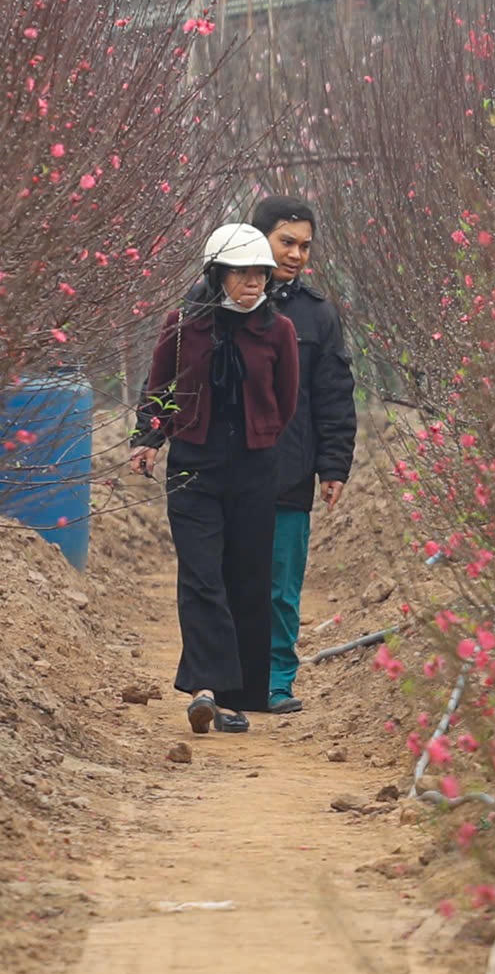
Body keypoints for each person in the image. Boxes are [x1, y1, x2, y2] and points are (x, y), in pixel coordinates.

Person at [129, 223, 299, 736]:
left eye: (260, 274)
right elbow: (159, 387)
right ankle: (204, 687)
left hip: (254, 467)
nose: (254, 283)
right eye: (242, 273)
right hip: (194, 466)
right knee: (202, 575)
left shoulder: (279, 330)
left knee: (245, 578)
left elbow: (286, 400)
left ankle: (232, 698)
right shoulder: (184, 326)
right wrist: (149, 437)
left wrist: (261, 435)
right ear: (217, 274)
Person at [250, 195, 356, 716]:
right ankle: (228, 680)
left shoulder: (319, 316)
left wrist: (333, 465)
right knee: (226, 580)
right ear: (258, 238)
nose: (295, 254)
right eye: (286, 241)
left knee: (280, 588)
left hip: (289, 471)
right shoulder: (212, 300)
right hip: (226, 470)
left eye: (304, 245)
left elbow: (335, 395)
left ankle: (276, 682)